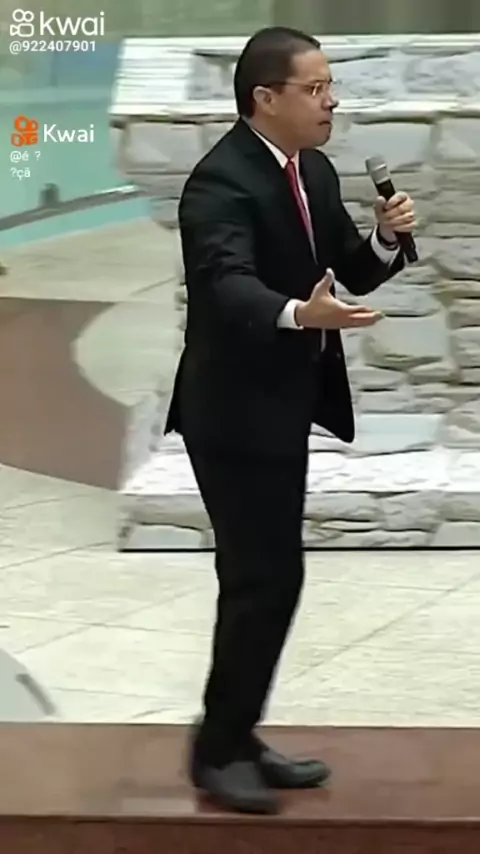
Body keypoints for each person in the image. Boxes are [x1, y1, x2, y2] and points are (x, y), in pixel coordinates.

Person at [165, 26, 416, 814]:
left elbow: (348, 263)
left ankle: (237, 734)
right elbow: (225, 284)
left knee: (275, 577)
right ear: (264, 98)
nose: (330, 101)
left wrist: (385, 238)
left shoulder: (313, 167)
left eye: (330, 86)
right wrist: (298, 314)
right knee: (258, 579)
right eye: (315, 89)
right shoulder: (219, 183)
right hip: (230, 413)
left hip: (280, 407)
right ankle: (216, 751)